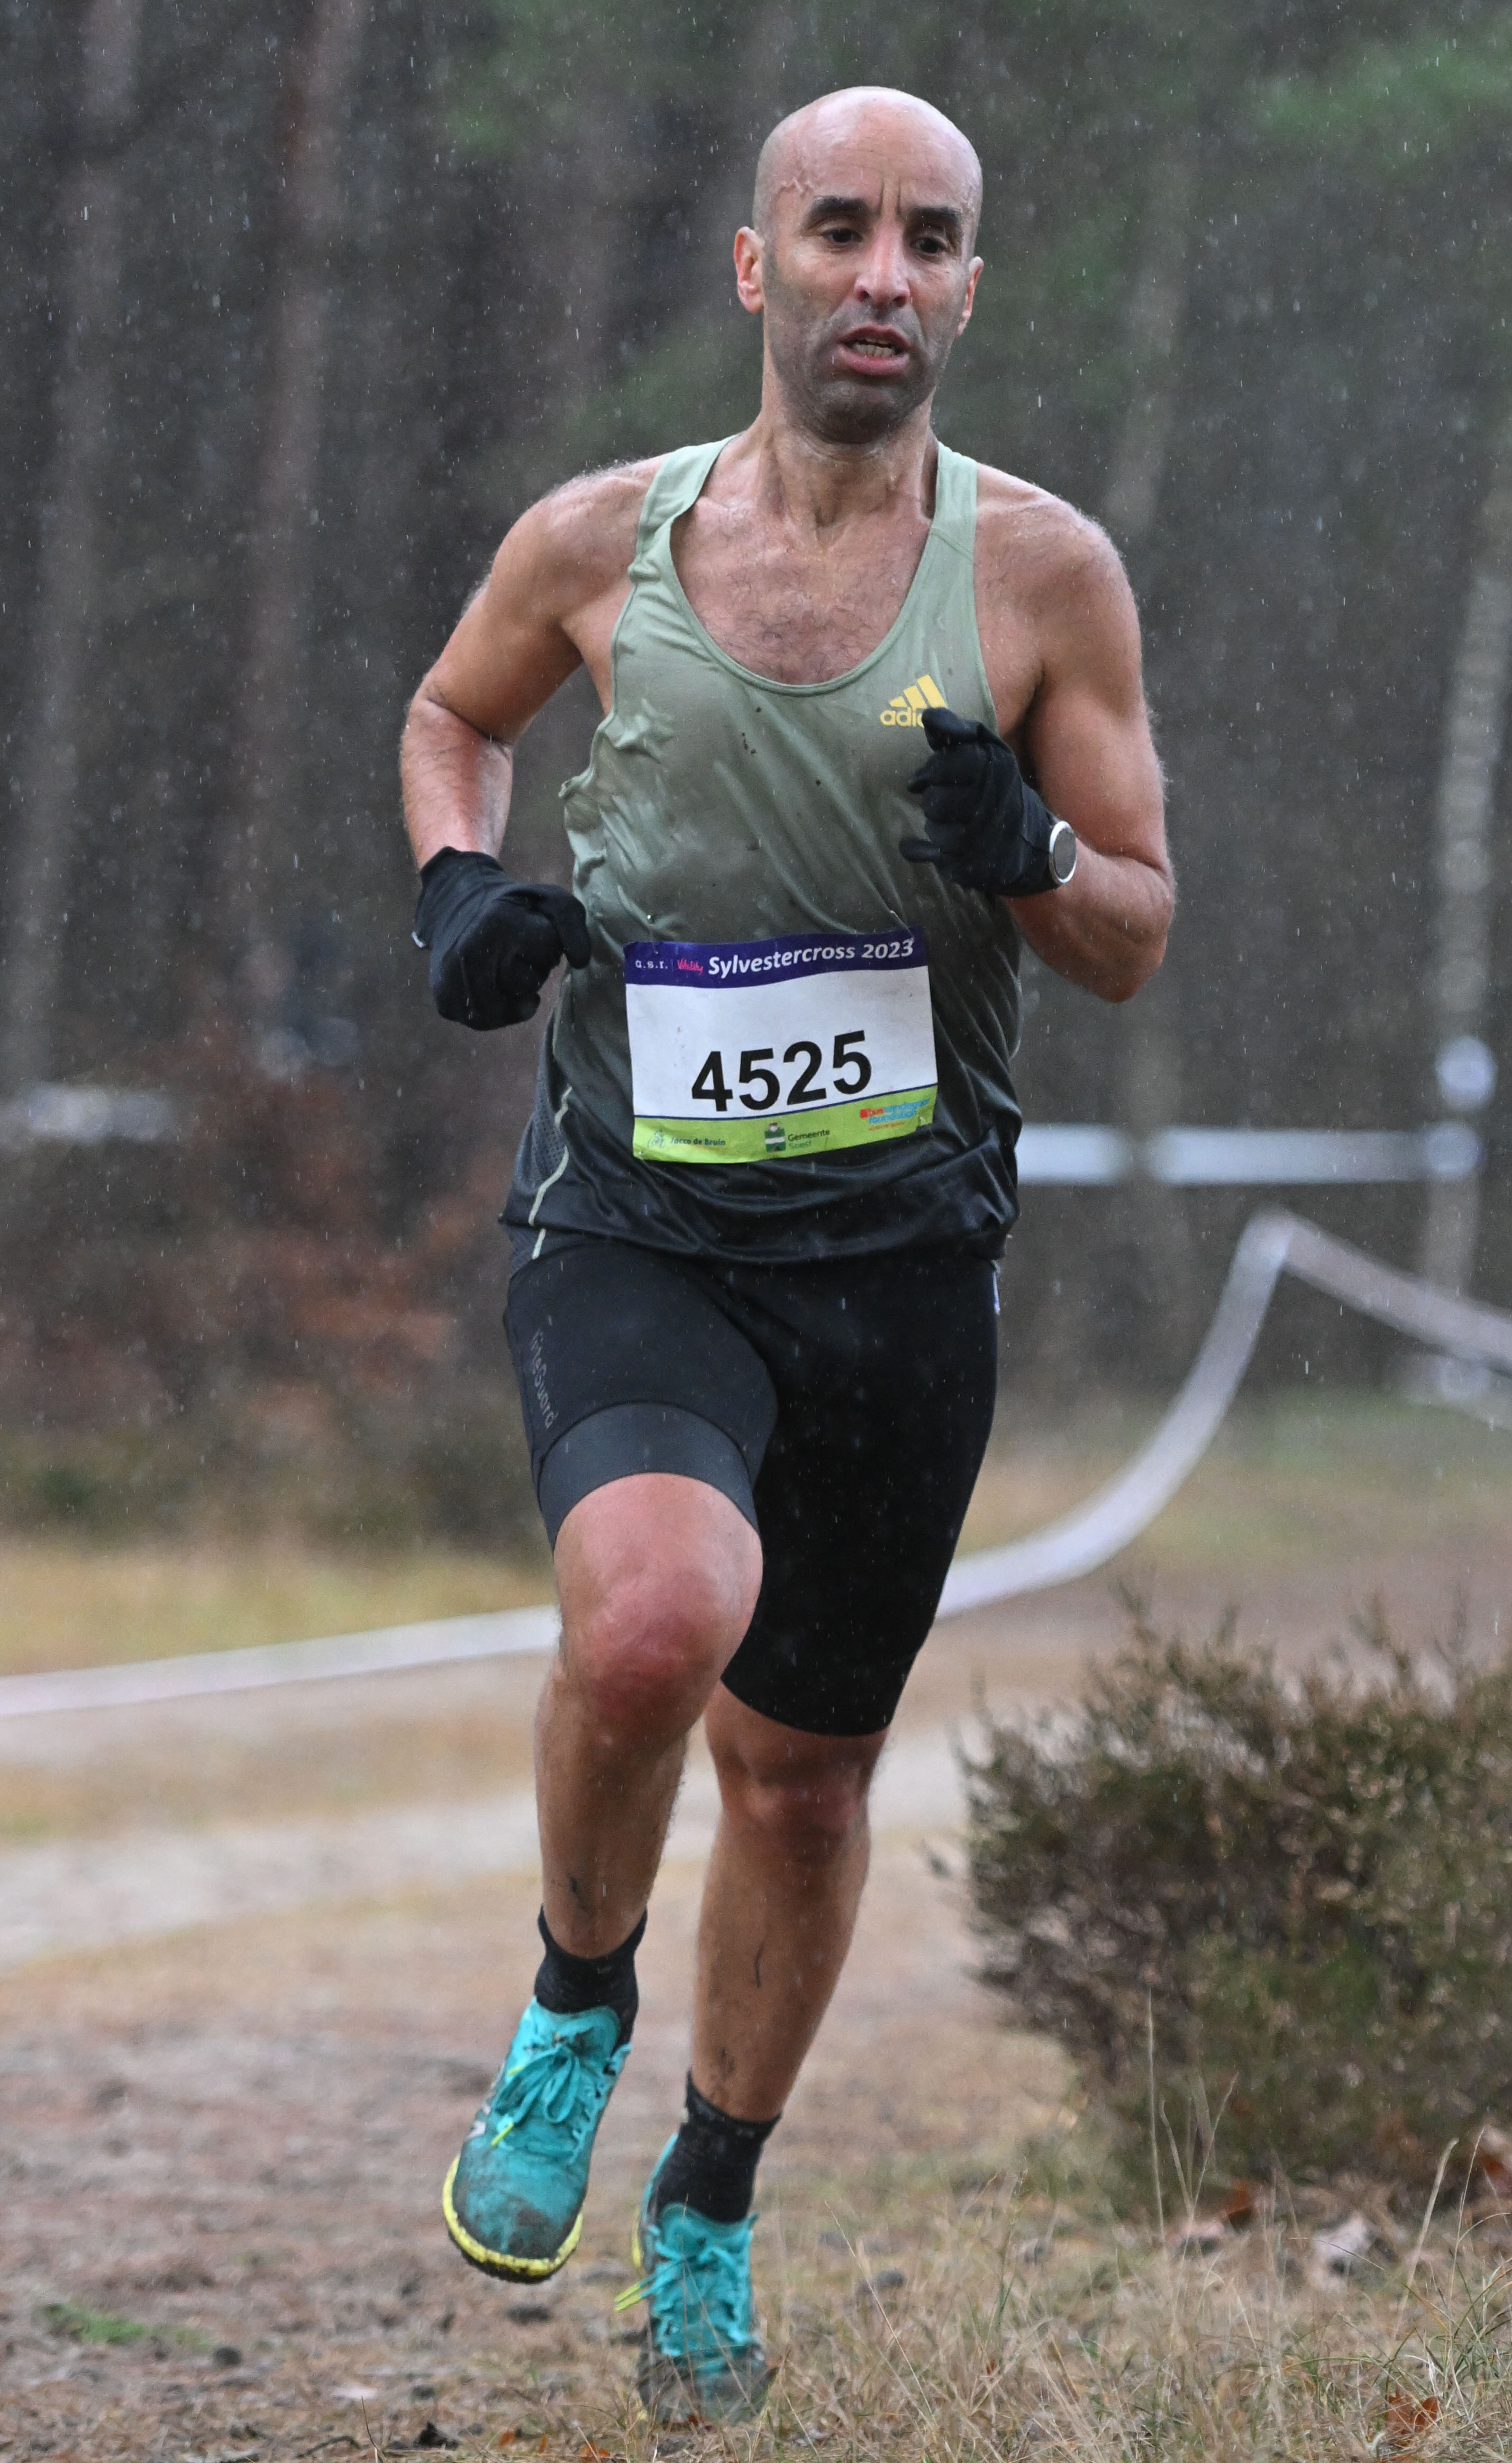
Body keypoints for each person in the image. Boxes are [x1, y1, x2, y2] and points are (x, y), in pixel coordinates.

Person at [399, 84, 1172, 2423]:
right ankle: (573, 1998)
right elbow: (452, 718)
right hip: (639, 1212)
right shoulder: (596, 540)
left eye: (927, 240)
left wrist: (1031, 847)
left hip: (904, 1257)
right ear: (758, 268)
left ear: (970, 288)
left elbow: (1132, 933)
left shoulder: (1043, 576)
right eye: (838, 230)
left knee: (809, 1785)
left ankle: (710, 2203)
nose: (880, 277)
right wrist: (459, 883)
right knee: (654, 1621)